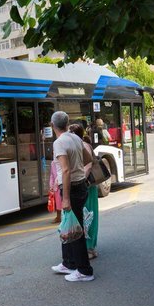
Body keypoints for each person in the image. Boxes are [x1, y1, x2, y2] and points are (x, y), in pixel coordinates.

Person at [49, 111, 94, 282]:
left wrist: (66, 198)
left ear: (52, 125)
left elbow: (65, 170)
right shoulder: (75, 138)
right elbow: (88, 157)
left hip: (71, 189)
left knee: (75, 230)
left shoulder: (59, 142)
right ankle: (69, 263)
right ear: (67, 123)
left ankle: (84, 270)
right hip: (80, 185)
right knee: (69, 224)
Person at [69, 123, 99, 260]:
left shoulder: (84, 146)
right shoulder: (79, 145)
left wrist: (82, 182)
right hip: (84, 185)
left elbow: (87, 166)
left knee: (88, 216)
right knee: (85, 216)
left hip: (86, 186)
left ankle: (90, 248)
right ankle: (85, 247)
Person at [48, 157, 61, 224]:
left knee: (63, 202)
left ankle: (63, 217)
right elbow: (51, 175)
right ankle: (58, 217)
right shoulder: (53, 163)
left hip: (62, 183)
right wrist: (51, 185)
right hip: (56, 186)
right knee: (57, 202)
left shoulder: (62, 160)